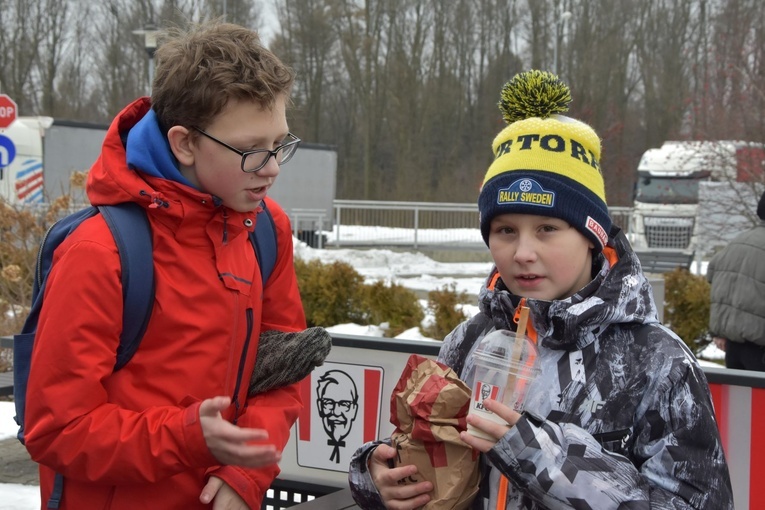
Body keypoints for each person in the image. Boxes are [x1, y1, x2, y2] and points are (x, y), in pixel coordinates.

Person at [348, 70, 733, 509]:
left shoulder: (656, 362)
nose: (522, 252)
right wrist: (377, 477)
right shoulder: (469, 340)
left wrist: (541, 455)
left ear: (592, 236)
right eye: (505, 230)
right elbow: (426, 454)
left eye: (547, 229)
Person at [23, 21, 308, 509]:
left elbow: (283, 370)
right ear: (184, 144)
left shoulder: (266, 230)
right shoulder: (100, 252)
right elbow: (57, 429)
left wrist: (246, 472)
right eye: (252, 150)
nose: (273, 167)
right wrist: (187, 437)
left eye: (280, 144)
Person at [707, 190, 765, 370]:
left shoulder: (737, 242)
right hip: (760, 349)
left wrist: (719, 330)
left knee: (738, 398)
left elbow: (713, 276)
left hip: (733, 347)